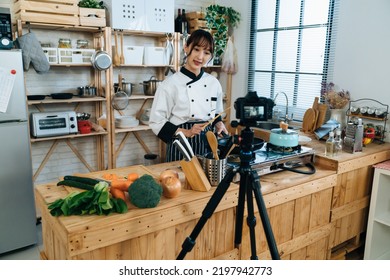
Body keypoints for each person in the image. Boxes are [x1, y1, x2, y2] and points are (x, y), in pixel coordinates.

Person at [149, 29, 228, 162]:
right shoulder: (169, 84)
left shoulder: (213, 83)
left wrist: (219, 124)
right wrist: (187, 132)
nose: (200, 57)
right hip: (181, 143)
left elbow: (216, 113)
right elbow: (156, 122)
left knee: (206, 180)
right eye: (196, 49)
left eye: (206, 52)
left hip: (207, 142)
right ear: (186, 47)